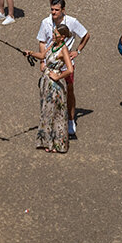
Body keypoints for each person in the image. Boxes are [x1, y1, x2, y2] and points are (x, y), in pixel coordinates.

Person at [34, 0, 88, 141]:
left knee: (69, 91)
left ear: (63, 10)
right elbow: (42, 41)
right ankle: (51, 123)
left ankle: (70, 120)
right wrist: (42, 61)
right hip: (50, 63)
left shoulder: (72, 22)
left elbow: (86, 35)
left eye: (56, 10)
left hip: (65, 64)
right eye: (52, 9)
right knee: (49, 93)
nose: (53, 13)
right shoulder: (45, 22)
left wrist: (78, 51)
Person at [34, 23, 76, 153]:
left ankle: (57, 144)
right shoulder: (53, 45)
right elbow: (43, 56)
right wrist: (30, 53)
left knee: (55, 113)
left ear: (62, 37)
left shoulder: (63, 50)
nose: (52, 36)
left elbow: (69, 69)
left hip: (55, 86)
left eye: (55, 34)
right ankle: (47, 141)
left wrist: (58, 77)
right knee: (46, 111)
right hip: (46, 83)